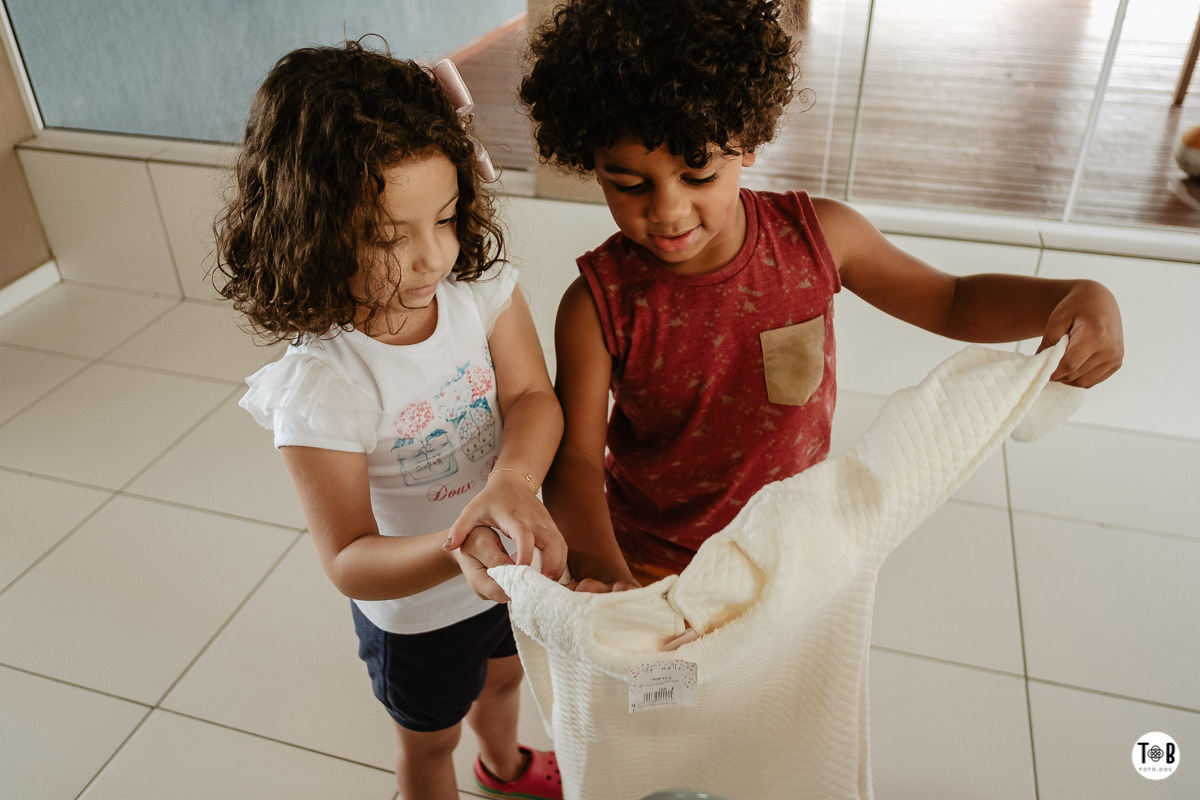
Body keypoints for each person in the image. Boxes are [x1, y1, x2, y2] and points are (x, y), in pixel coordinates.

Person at [511, 0, 1124, 591]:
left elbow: (951, 301)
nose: (668, 210)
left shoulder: (818, 238)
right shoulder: (596, 306)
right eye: (628, 183)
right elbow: (578, 465)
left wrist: (1073, 295)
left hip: (795, 555)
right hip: (648, 565)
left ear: (747, 140)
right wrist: (606, 573)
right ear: (590, 161)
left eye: (699, 175)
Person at [212, 40, 565, 800]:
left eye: (444, 218)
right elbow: (347, 557)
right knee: (428, 744)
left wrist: (512, 485)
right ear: (310, 228)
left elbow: (533, 397)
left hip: (507, 576)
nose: (431, 257)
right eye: (385, 237)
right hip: (417, 614)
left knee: (505, 687)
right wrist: (462, 544)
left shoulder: (481, 291)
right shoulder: (324, 385)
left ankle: (502, 765)